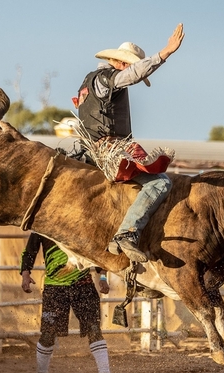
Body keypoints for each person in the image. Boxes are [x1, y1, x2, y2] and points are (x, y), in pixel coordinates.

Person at [74, 23, 185, 263]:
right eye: (132, 67)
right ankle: (127, 233)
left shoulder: (90, 82)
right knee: (159, 183)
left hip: (90, 149)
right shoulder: (107, 79)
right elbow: (132, 76)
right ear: (123, 63)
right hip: (108, 150)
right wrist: (165, 53)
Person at [20, 232, 113, 373]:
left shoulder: (82, 221)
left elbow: (98, 250)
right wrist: (25, 274)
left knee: (94, 328)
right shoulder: (42, 223)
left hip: (84, 285)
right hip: (54, 289)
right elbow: (30, 250)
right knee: (48, 334)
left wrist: (102, 277)